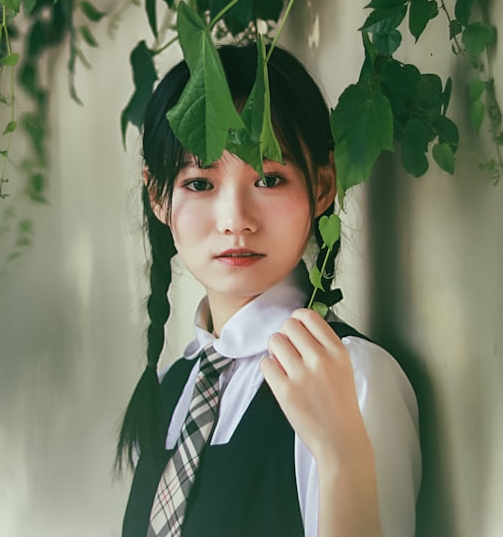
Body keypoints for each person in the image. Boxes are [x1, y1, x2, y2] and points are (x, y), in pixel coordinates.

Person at [117, 44, 421, 537]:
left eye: (269, 178)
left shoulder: (351, 378)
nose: (235, 220)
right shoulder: (175, 385)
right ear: (158, 195)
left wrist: (342, 454)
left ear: (323, 186)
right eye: (199, 184)